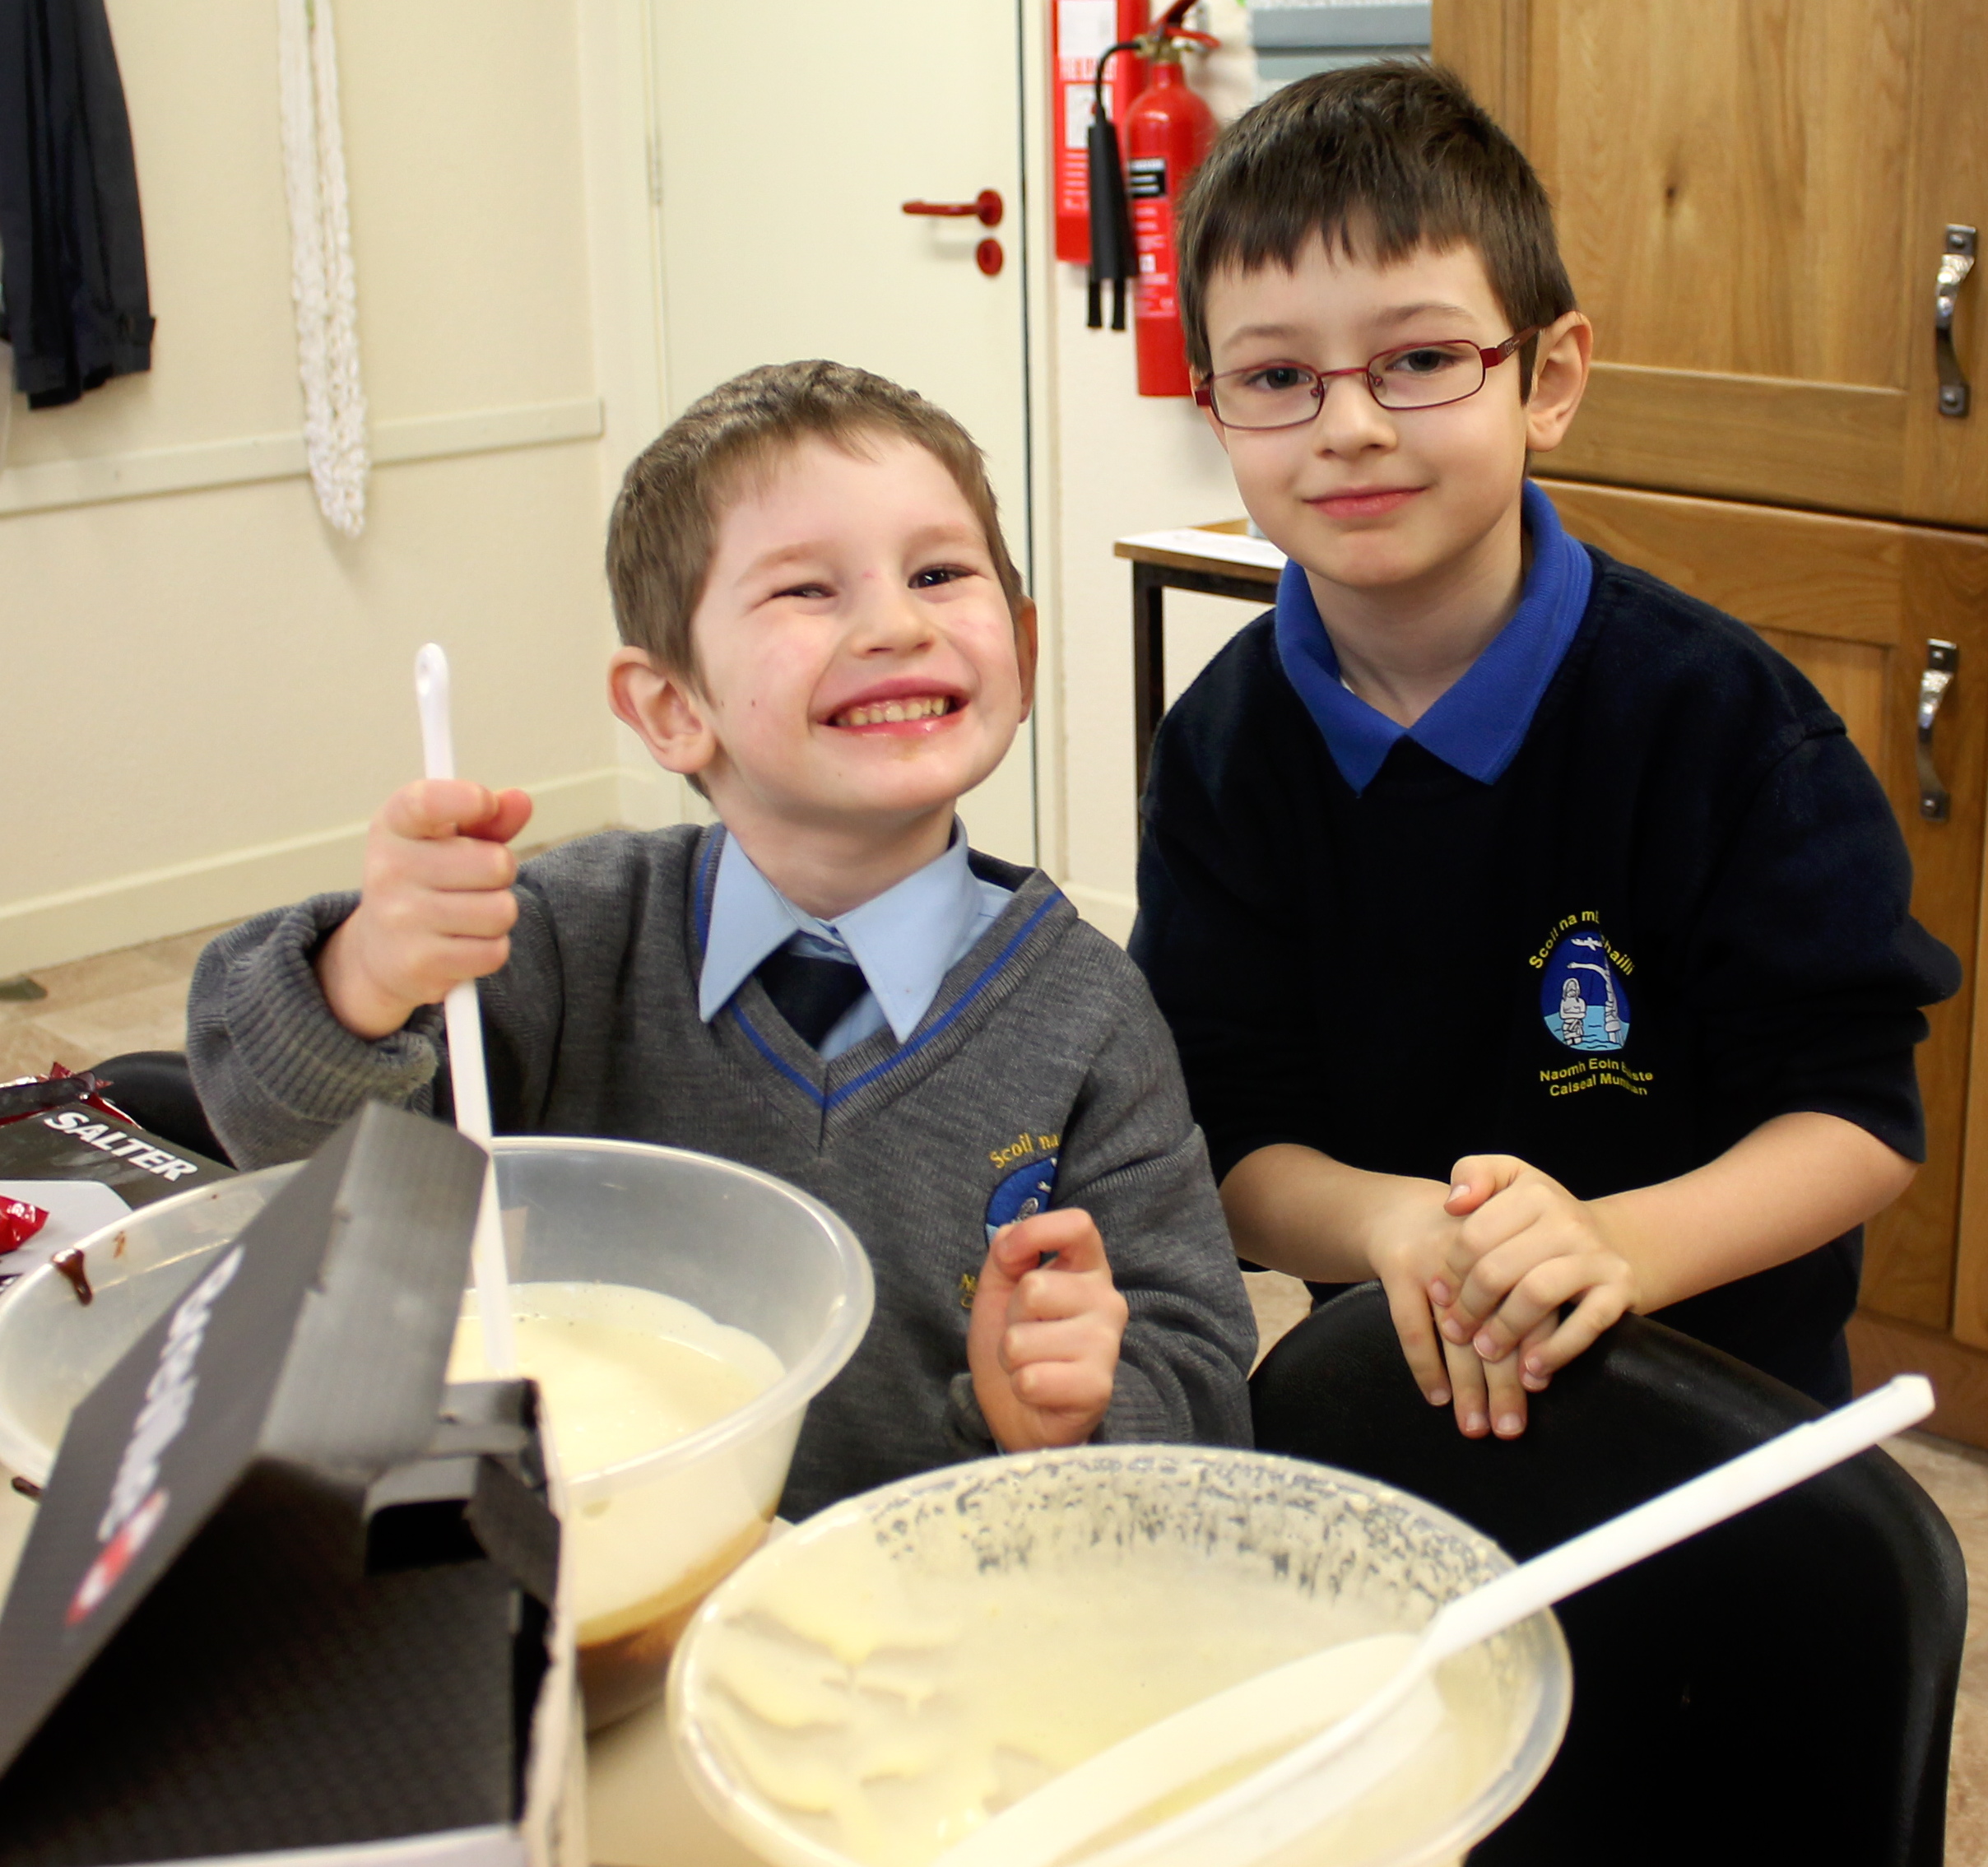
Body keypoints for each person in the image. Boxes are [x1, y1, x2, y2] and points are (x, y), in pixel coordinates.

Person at [190, 360, 1254, 1518]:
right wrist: (366, 976)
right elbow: (287, 1147)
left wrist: (1068, 1415)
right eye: (807, 591)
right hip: (596, 1563)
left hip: (933, 1609)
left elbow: (1205, 1389)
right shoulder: (566, 938)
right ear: (669, 707)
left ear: (1026, 647)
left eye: (940, 573)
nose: (896, 623)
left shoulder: (1089, 1012)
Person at [1131, 63, 1960, 1437]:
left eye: (1420, 358)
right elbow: (1223, 1136)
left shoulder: (1726, 725)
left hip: (1719, 1421)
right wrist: (1400, 1225)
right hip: (1406, 1398)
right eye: (1278, 375)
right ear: (1215, 409)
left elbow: (1858, 1117)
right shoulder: (1221, 753)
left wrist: (1618, 1245)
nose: (1350, 424)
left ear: (1548, 378)